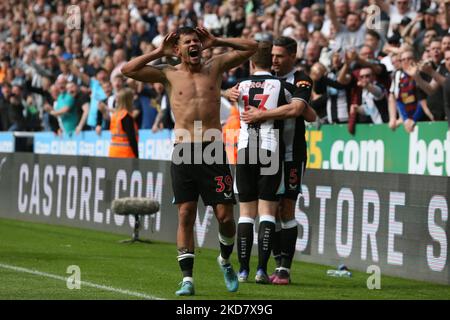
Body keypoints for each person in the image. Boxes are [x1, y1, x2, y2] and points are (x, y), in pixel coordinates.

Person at [121, 26, 257, 296]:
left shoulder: (215, 65)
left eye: (197, 40)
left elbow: (252, 47)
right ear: (179, 49)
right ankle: (187, 279)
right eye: (188, 42)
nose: (194, 44)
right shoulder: (168, 73)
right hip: (184, 150)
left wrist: (217, 40)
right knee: (185, 214)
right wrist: (159, 51)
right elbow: (128, 70)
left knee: (225, 216)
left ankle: (225, 260)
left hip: (213, 150)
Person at [234, 41, 316, 284]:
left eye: (280, 56)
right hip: (272, 150)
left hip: (291, 153)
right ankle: (273, 261)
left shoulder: (301, 79)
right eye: (273, 56)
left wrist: (261, 114)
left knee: (284, 209)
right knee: (271, 209)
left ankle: (283, 269)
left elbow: (301, 110)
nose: (276, 60)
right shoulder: (276, 83)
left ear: (292, 55)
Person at [108, 88, 139, 159]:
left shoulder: (115, 115)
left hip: (113, 153)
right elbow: (132, 138)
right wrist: (137, 156)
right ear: (128, 100)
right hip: (125, 154)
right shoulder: (126, 116)